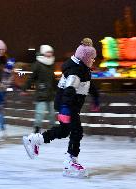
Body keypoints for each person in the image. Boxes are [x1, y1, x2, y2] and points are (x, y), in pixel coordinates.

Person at [23, 38, 96, 178]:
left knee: (64, 131)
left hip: (69, 105)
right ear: (85, 58)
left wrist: (96, 96)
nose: (93, 60)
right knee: (76, 131)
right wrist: (65, 109)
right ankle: (70, 161)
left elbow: (87, 84)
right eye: (92, 58)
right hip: (68, 106)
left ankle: (35, 139)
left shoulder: (83, 69)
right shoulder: (75, 72)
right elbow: (69, 90)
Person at [21, 45, 56, 133]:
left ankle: (53, 127)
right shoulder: (38, 64)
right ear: (44, 53)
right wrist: (24, 88)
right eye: (48, 52)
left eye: (51, 52)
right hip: (41, 92)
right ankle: (37, 127)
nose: (50, 54)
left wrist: (59, 89)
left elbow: (53, 79)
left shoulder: (52, 64)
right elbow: (31, 78)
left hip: (50, 93)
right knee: (40, 112)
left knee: (52, 113)